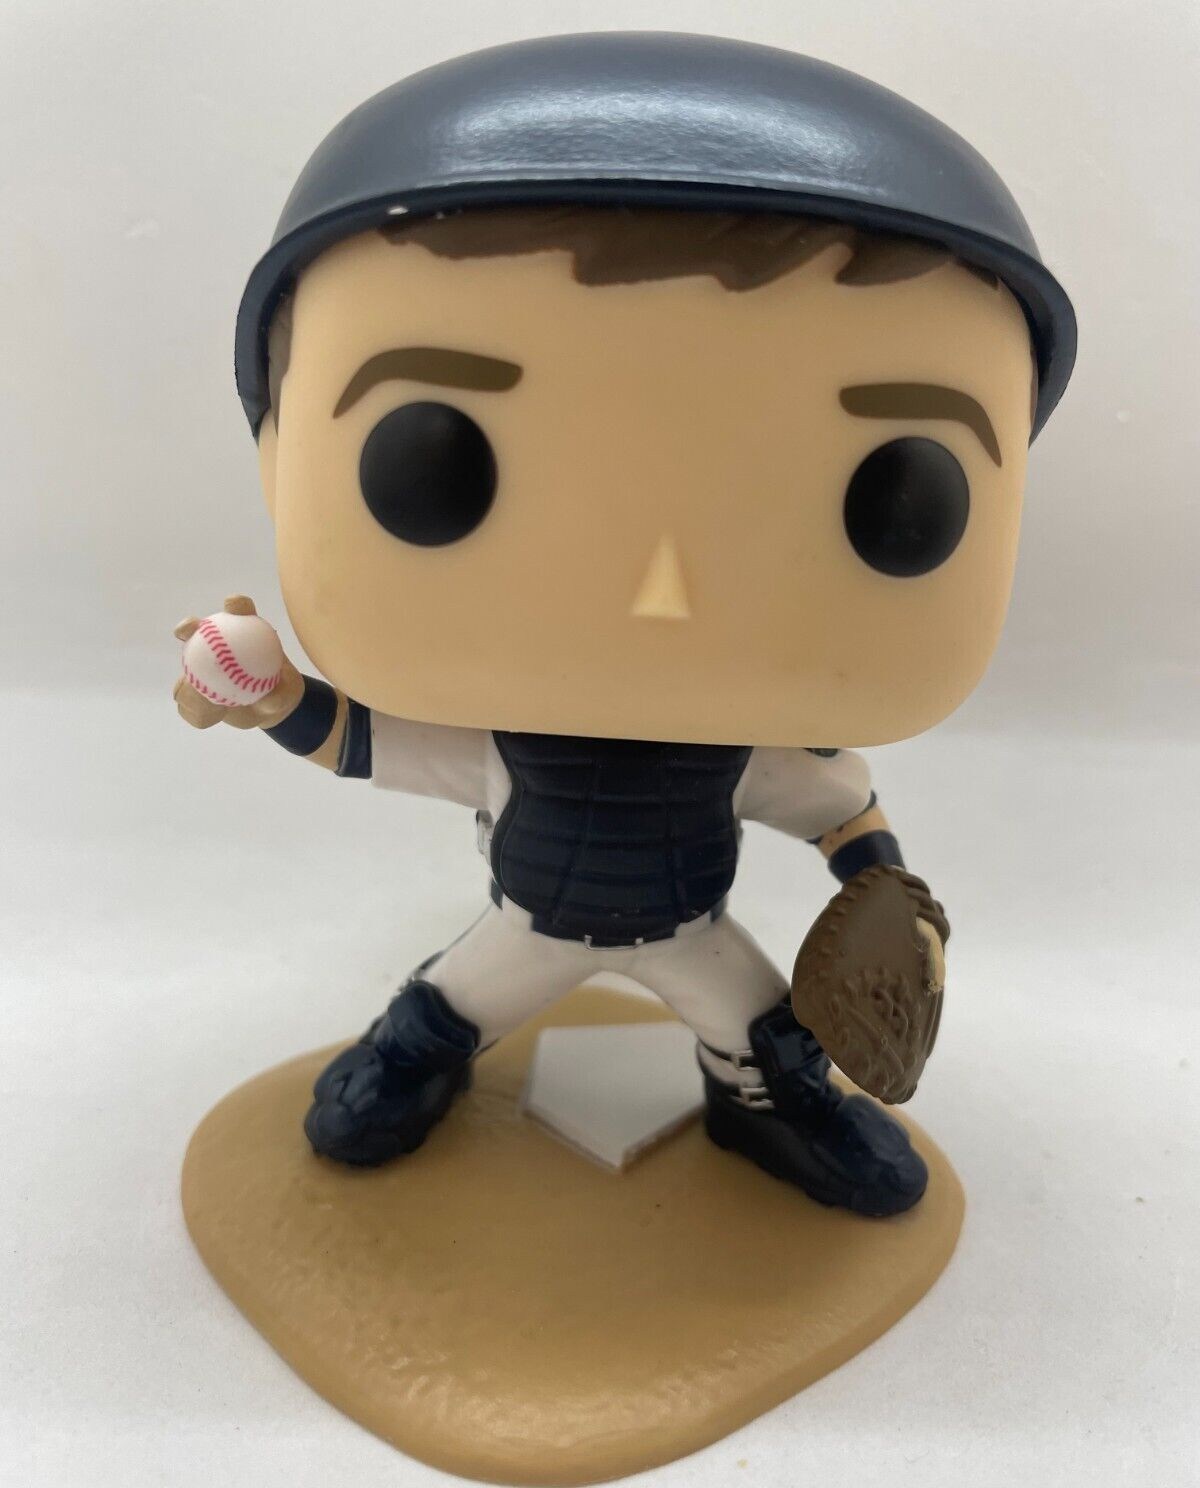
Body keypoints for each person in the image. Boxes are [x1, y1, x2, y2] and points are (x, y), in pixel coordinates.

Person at [174, 34, 1075, 1217]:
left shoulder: (749, 757)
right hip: (529, 928)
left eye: (896, 498)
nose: (665, 595)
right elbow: (360, 744)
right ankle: (411, 1060)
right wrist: (277, 698)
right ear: (277, 455)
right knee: (450, 1005)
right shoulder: (501, 748)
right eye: (433, 467)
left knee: (763, 1032)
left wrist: (892, 900)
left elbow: (844, 816)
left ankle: (770, 1109)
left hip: (689, 929)